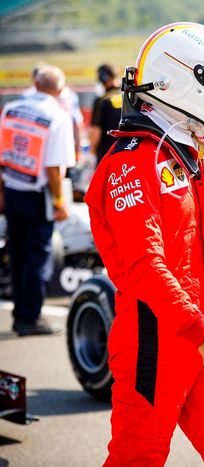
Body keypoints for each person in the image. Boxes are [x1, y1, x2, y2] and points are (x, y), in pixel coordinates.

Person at [83, 23, 204, 466]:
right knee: (138, 459)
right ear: (184, 80)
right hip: (156, 338)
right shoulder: (133, 161)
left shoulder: (180, 149)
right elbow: (145, 266)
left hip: (203, 331)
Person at [0, 66, 75, 336]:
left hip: (12, 191)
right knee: (37, 258)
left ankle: (21, 313)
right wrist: (59, 202)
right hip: (37, 196)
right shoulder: (57, 116)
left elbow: (2, 155)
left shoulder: (11, 109)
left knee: (18, 255)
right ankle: (29, 319)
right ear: (60, 89)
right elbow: (55, 169)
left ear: (35, 83)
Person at [23, 65, 83, 157]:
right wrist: (77, 150)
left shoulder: (27, 96)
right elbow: (77, 124)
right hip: (63, 146)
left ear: (36, 83)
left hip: (35, 149)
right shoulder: (69, 96)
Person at [89, 63, 122, 164]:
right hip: (128, 150)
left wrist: (92, 151)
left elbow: (95, 131)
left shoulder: (101, 101)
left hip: (107, 154)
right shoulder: (129, 96)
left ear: (103, 78)